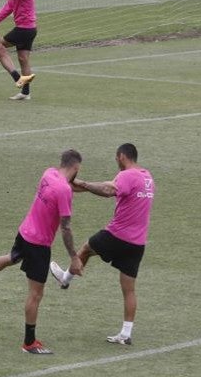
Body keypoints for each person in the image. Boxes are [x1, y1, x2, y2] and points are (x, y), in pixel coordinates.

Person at [0, 150, 83, 354]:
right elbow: (65, 227)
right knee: (35, 294)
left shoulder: (49, 174)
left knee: (12, 258)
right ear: (76, 167)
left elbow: (67, 185)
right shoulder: (65, 190)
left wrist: (87, 186)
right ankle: (29, 342)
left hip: (25, 231)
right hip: (39, 244)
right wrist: (74, 257)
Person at [50, 143, 154, 346]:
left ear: (122, 156)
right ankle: (125, 334)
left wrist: (84, 184)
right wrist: (77, 183)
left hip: (118, 234)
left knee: (86, 249)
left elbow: (107, 190)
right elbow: (105, 187)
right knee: (129, 289)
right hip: (138, 242)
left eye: (116, 158)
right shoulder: (147, 177)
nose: (116, 162)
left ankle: (66, 278)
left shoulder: (126, 176)